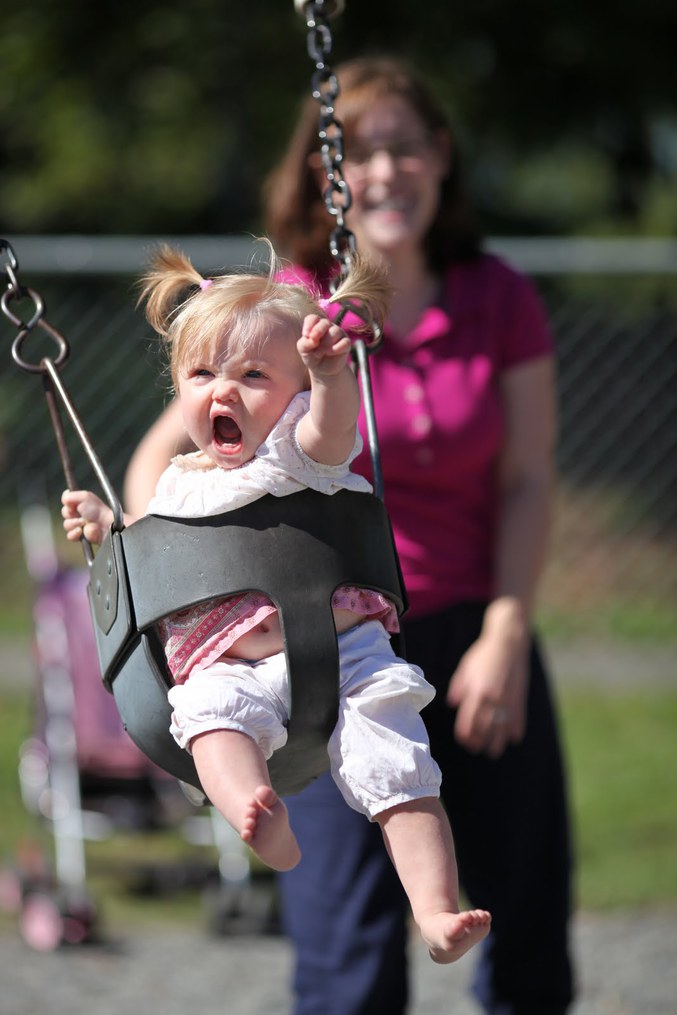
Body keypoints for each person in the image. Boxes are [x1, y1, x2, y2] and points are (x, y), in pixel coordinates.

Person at [123, 57, 574, 1015]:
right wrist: (172, 579)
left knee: (519, 927)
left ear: (440, 159)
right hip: (311, 637)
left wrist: (506, 629)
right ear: (325, 174)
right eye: (359, 154)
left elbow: (529, 478)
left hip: (470, 626)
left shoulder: (494, 297)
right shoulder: (289, 311)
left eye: (404, 147)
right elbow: (163, 458)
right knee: (346, 951)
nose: (383, 172)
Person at [61, 242, 491, 964]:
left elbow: (332, 434)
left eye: (252, 375)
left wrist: (329, 379)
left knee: (398, 766)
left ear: (292, 393)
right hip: (229, 662)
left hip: (347, 654)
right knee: (207, 719)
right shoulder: (179, 481)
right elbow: (154, 550)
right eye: (200, 374)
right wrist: (108, 529)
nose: (221, 391)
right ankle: (257, 816)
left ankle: (435, 908)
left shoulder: (296, 449)